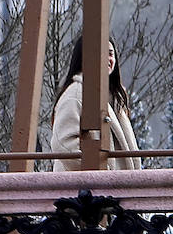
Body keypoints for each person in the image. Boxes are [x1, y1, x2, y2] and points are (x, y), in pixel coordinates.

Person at [50, 35, 141, 171]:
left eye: (110, 54)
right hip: (86, 189)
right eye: (100, 53)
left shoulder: (115, 98)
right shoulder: (75, 94)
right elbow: (63, 145)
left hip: (114, 187)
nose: (107, 59)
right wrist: (100, 172)